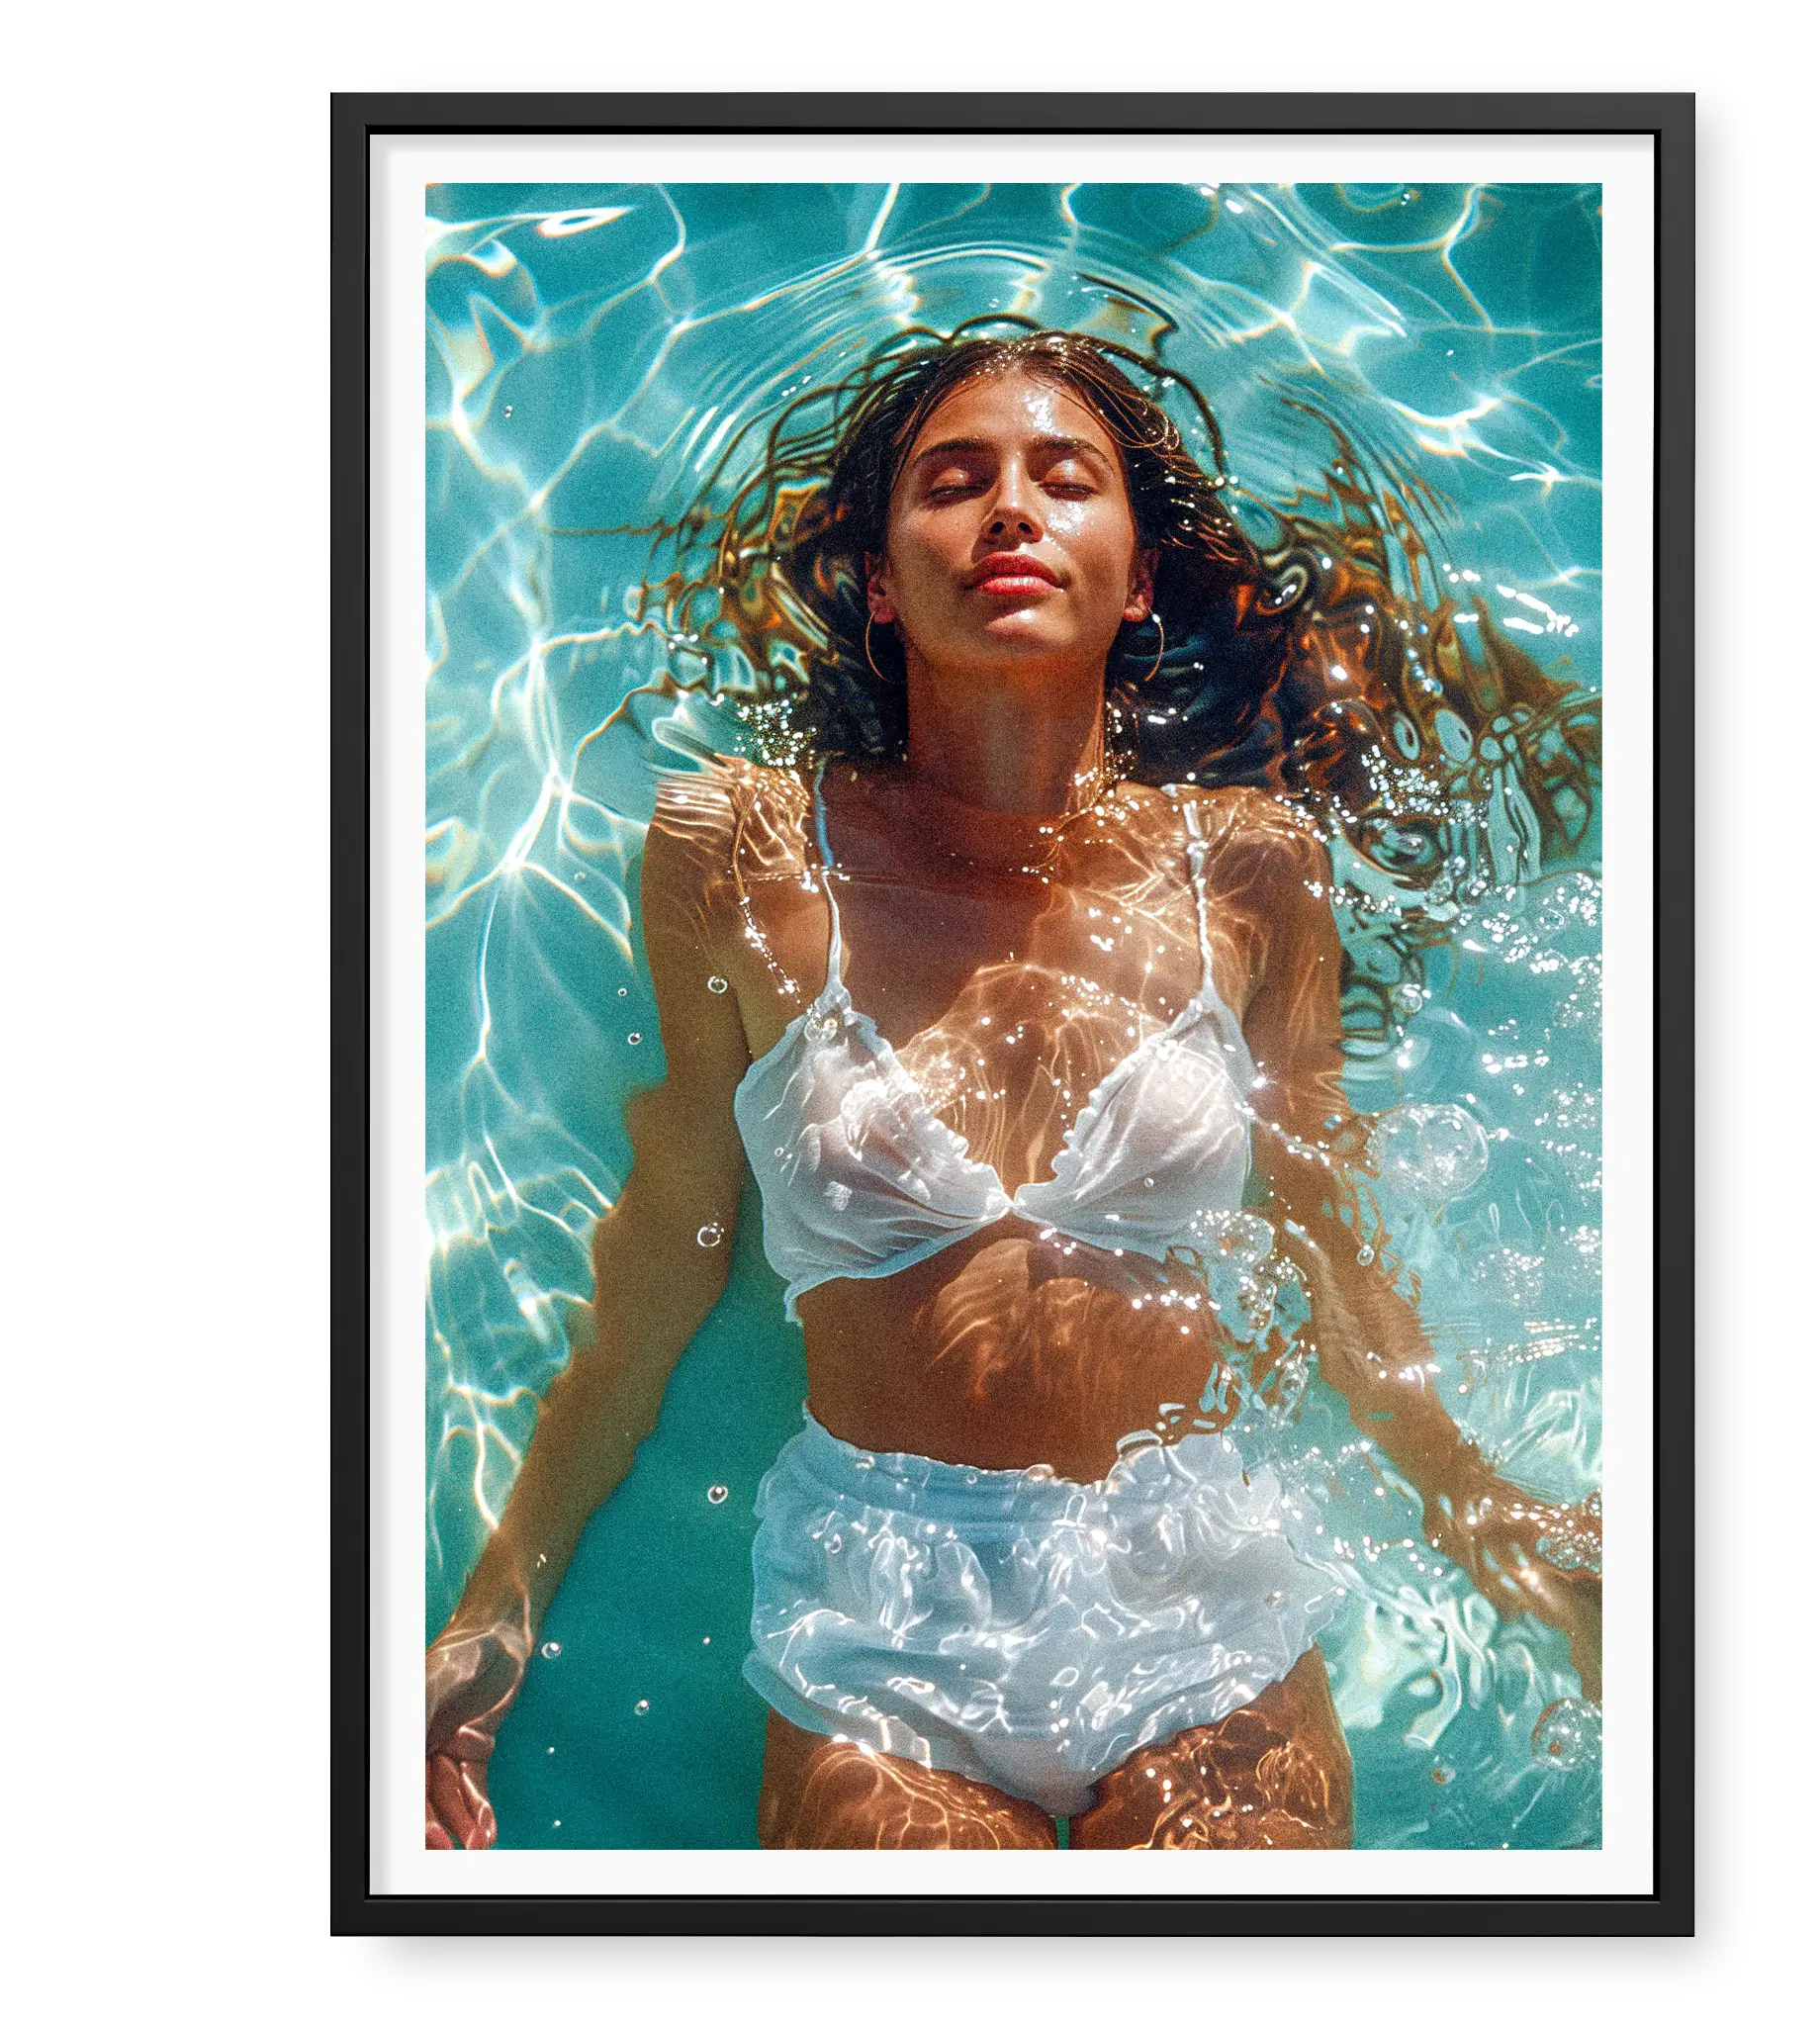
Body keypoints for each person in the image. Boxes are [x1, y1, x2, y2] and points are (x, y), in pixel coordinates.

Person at [424, 327, 1602, 1852]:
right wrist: (495, 1606)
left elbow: (1326, 1231)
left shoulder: (1252, 867)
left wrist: (1477, 1504)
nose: (1010, 511)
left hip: (1201, 1591)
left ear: (1135, 578)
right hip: (879, 1602)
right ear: (877, 575)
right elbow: (673, 1236)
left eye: (1066, 480)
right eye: (954, 480)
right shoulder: (736, 850)